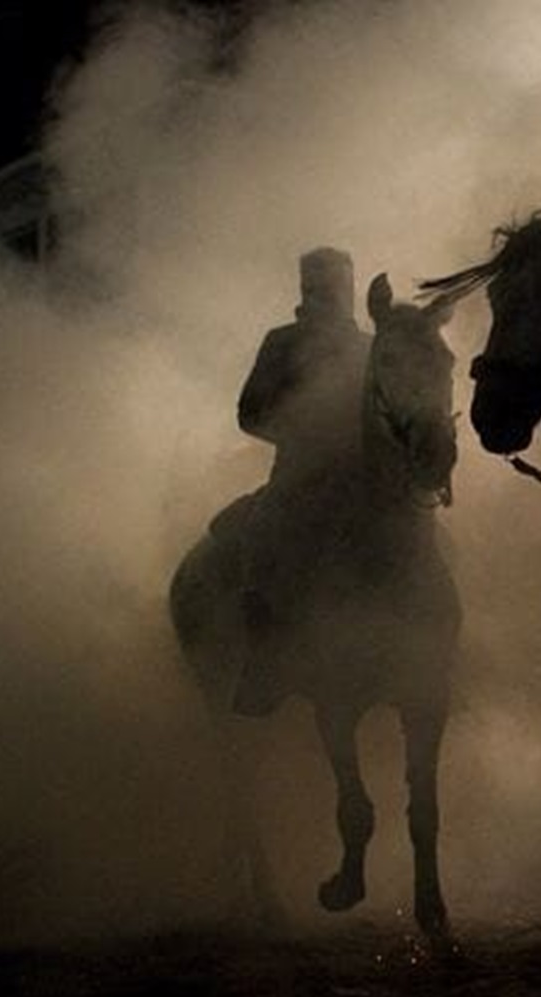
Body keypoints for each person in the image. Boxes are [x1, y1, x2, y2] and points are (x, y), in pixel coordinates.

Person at [228, 246, 371, 715]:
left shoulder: (372, 347)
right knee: (263, 536)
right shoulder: (281, 343)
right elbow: (249, 413)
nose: (333, 293)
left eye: (339, 284)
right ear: (307, 288)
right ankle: (263, 660)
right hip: (298, 476)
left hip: (365, 478)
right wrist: (302, 427)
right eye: (322, 284)